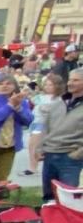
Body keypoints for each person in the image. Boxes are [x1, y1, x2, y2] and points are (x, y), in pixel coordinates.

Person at [38, 67, 83, 196]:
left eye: (76, 80)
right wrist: (40, 148)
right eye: (69, 80)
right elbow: (46, 127)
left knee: (68, 198)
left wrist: (77, 154)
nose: (70, 83)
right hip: (50, 155)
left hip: (71, 158)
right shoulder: (59, 103)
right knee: (49, 196)